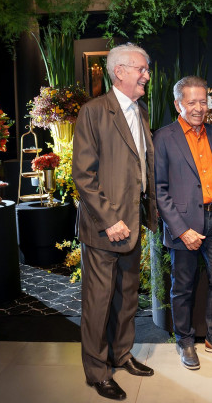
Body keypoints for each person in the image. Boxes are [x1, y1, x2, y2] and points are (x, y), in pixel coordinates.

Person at [72, 43, 158, 401]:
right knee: (98, 302)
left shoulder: (141, 111)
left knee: (126, 298)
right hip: (104, 228)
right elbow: (83, 175)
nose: (147, 75)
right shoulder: (93, 112)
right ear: (119, 71)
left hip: (133, 224)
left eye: (147, 69)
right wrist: (109, 220)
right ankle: (97, 371)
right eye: (142, 69)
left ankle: (121, 354)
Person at [154, 76, 212, 371]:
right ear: (177, 104)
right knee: (183, 287)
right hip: (185, 225)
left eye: (203, 101)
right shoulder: (164, 137)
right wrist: (181, 230)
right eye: (191, 102)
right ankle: (184, 340)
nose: (198, 108)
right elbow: (159, 190)